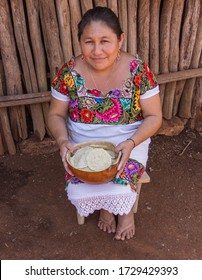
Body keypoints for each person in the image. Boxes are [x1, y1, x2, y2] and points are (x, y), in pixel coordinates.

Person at [48, 6, 162, 241]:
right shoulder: (68, 73)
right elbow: (55, 115)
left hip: (130, 140)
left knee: (118, 181)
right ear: (80, 41)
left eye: (105, 41)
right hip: (83, 142)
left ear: (120, 40)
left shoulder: (138, 70)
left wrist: (131, 143)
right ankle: (106, 208)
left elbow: (154, 117)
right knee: (81, 186)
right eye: (89, 42)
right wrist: (62, 141)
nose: (97, 50)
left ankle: (125, 211)